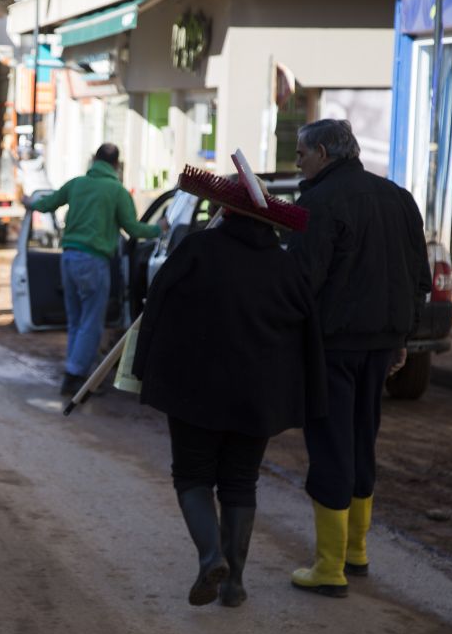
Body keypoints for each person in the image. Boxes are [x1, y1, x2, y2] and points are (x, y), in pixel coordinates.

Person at [132, 210, 326, 607]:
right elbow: (307, 331)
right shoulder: (285, 265)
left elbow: (157, 304)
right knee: (240, 481)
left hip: (194, 391)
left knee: (192, 475)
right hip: (258, 396)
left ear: (226, 214)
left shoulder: (197, 250)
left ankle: (210, 557)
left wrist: (143, 369)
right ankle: (234, 583)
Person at [286, 119, 431, 598]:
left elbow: (302, 282)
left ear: (324, 153)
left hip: (332, 345)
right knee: (362, 439)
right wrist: (404, 338)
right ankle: (356, 552)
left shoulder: (319, 203)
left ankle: (328, 568)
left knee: (330, 444)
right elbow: (418, 276)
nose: (299, 163)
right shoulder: (398, 198)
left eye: (303, 154)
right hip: (383, 343)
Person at [32, 143, 166, 396]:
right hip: (94, 261)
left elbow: (47, 203)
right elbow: (134, 229)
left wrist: (29, 202)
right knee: (91, 322)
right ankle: (76, 377)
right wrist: (160, 229)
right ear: (116, 164)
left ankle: (76, 370)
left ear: (95, 160)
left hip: (68, 258)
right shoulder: (116, 191)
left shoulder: (77, 184)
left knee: (76, 321)